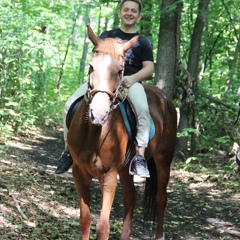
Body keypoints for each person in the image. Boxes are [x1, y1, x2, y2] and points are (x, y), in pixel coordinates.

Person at [55, 0, 154, 178]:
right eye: (126, 10)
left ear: (139, 16)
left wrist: (132, 78)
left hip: (129, 82)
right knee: (69, 104)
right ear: (119, 13)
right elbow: (97, 59)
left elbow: (149, 68)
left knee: (142, 110)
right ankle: (69, 151)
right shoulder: (107, 35)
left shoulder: (143, 42)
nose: (129, 13)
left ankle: (139, 157)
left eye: (133, 11)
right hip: (103, 81)